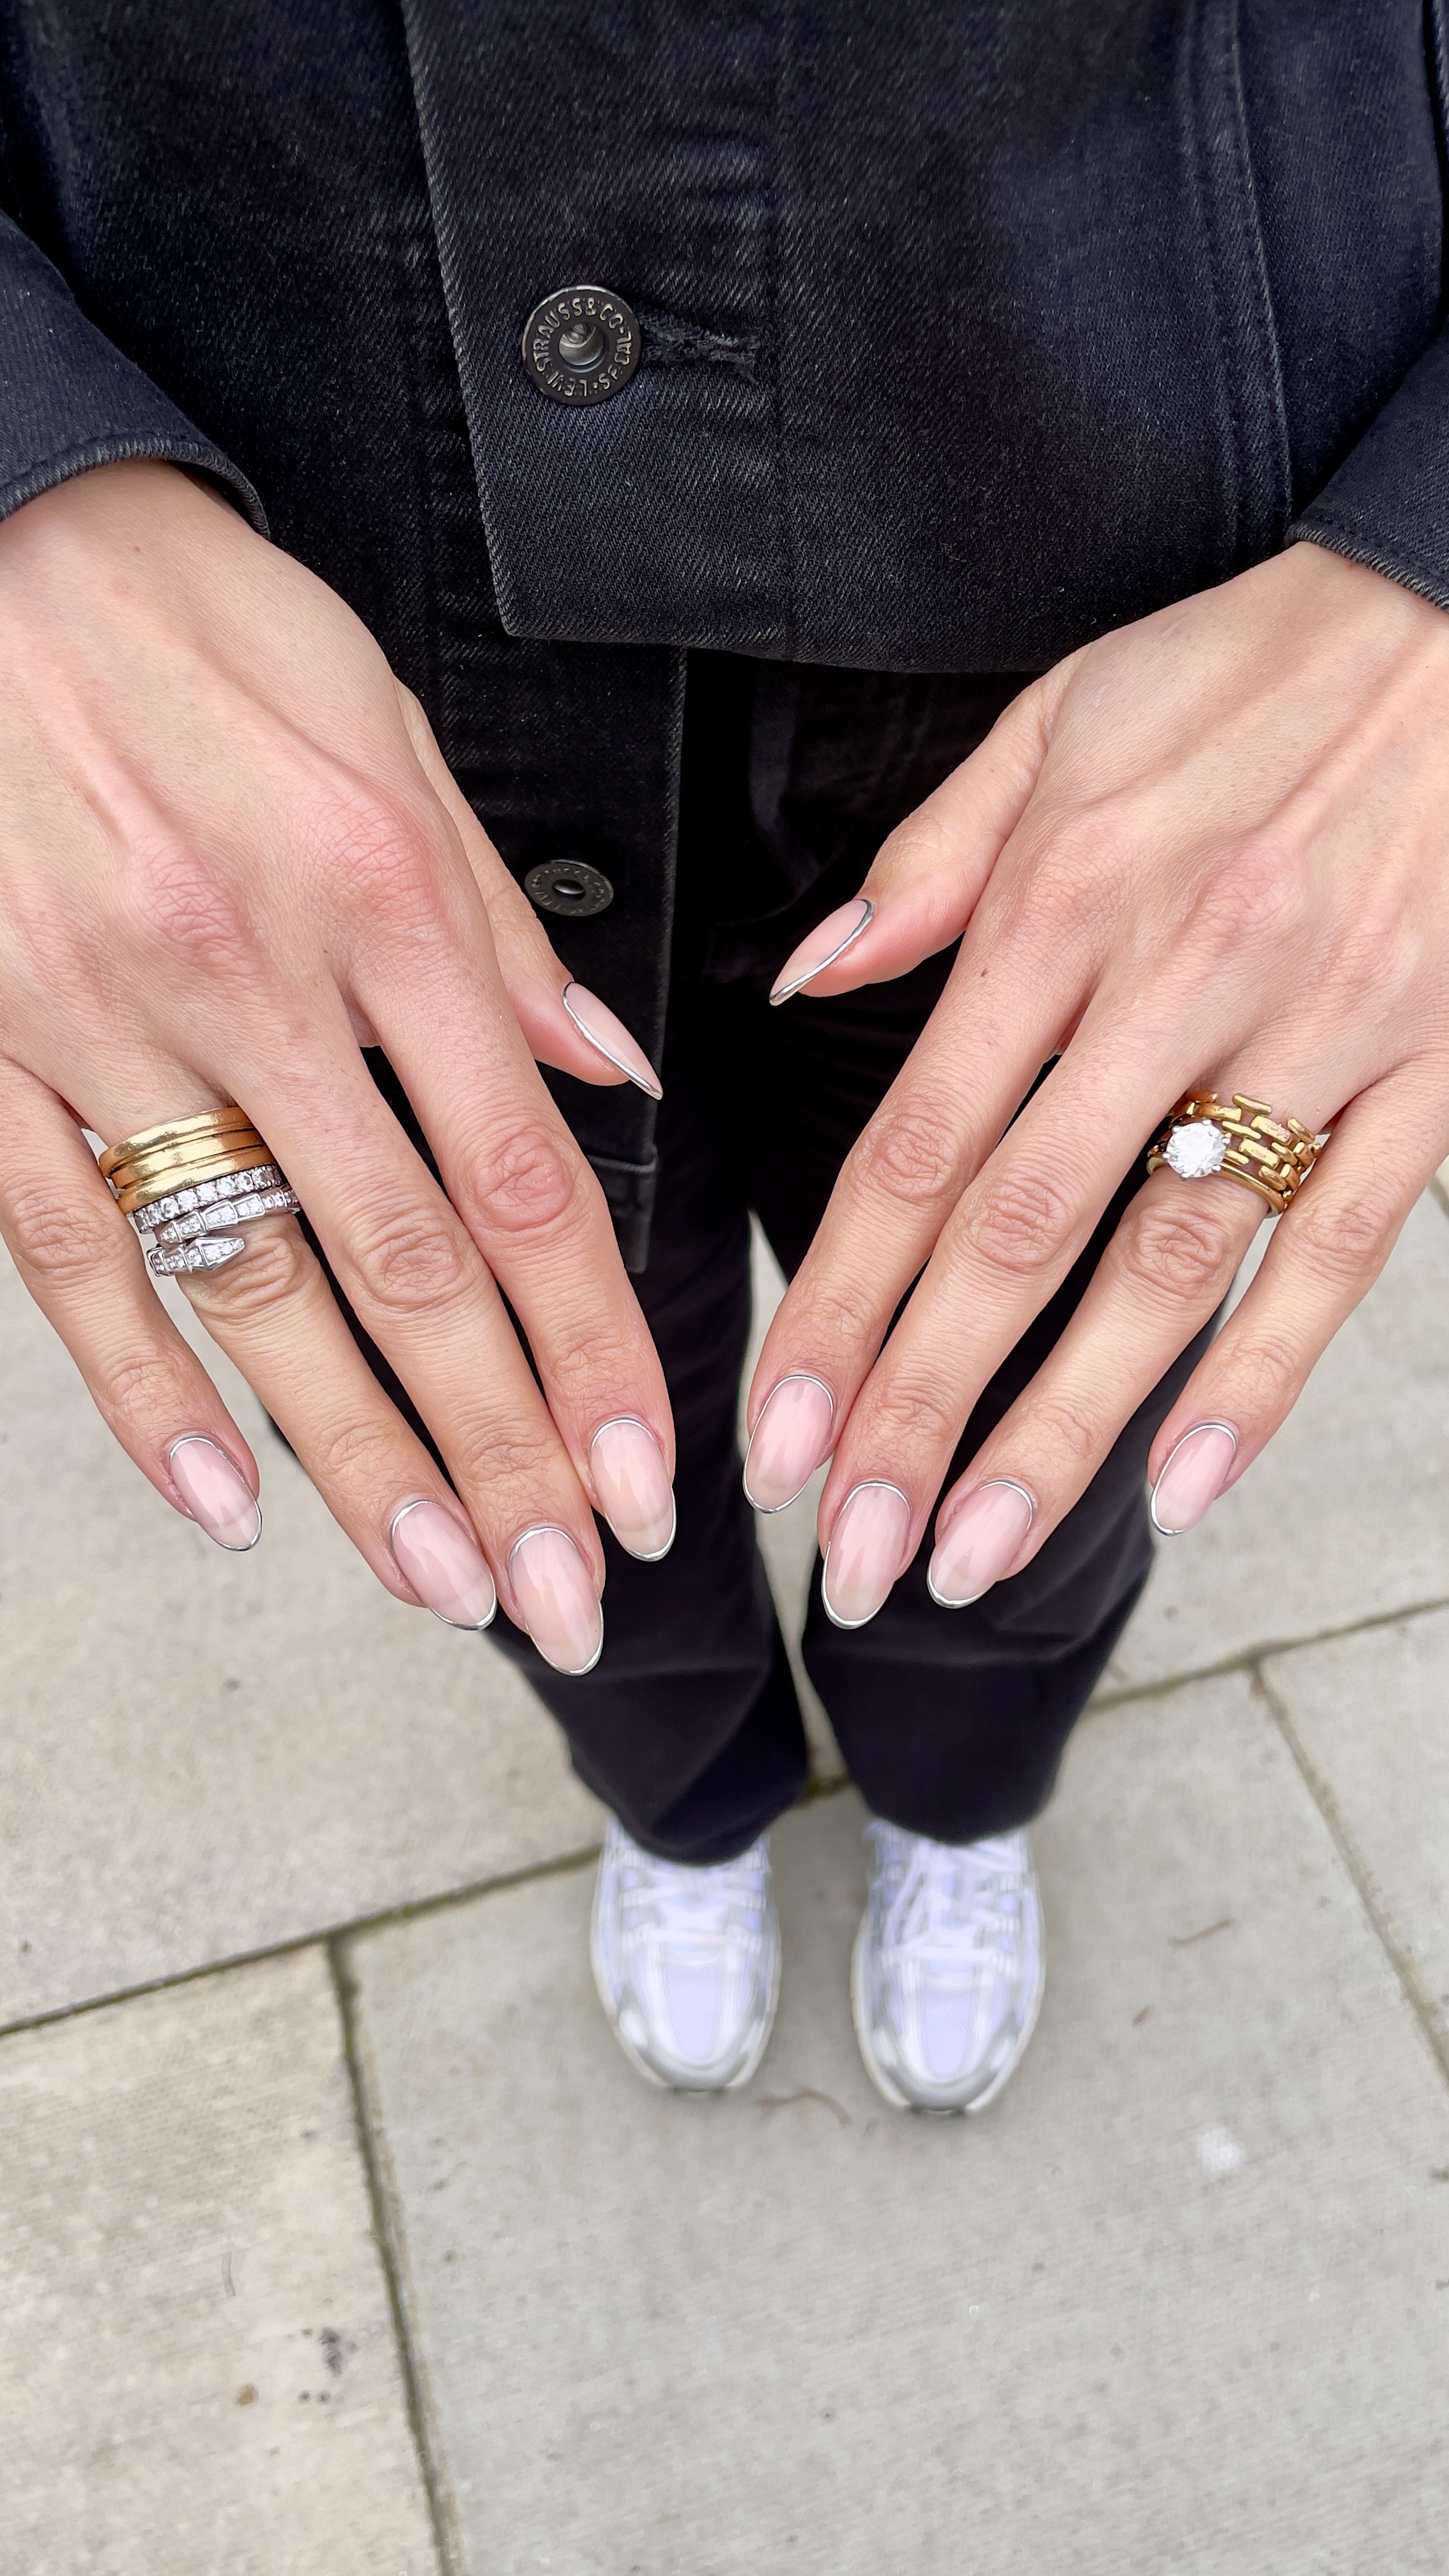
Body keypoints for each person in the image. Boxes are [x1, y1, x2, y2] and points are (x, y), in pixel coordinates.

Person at [2, 3, 1447, 2113]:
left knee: (1024, 1423)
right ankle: (678, 1803)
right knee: (511, 1447)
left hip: (1137, 612)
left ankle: (959, 1798)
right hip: (258, 654)